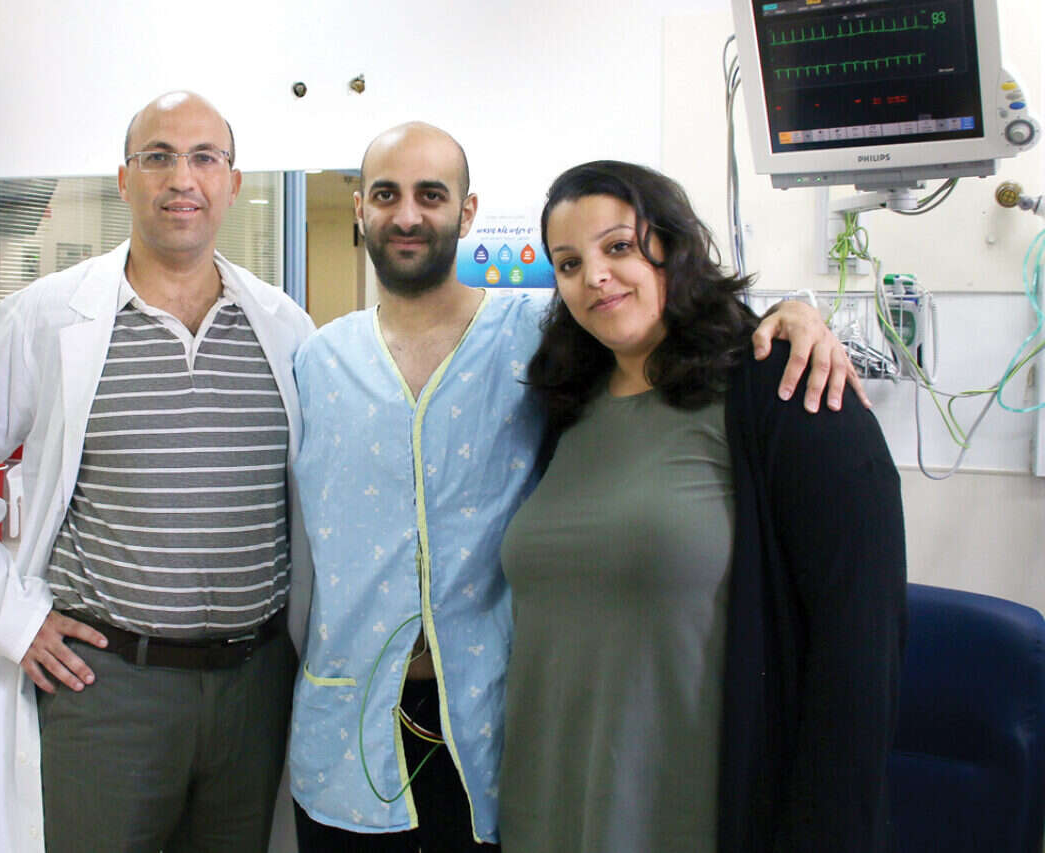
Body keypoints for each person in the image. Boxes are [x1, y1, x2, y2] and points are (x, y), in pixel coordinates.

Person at [286, 124, 864, 851]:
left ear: (467, 212)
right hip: (347, 730)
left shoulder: (540, 342)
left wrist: (790, 316)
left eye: (431, 195)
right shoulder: (315, 361)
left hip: (497, 726)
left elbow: (667, 329)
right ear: (360, 208)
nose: (407, 215)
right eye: (385, 195)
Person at [0, 91, 315, 853]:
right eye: (157, 156)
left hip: (255, 687)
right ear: (125, 180)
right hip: (107, 688)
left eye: (204, 158)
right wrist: (13, 618)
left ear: (232, 182)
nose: (181, 178)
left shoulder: (283, 326)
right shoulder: (48, 316)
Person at [497, 160, 907, 853]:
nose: (594, 276)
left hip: (693, 810)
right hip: (550, 799)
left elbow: (859, 649)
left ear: (675, 245)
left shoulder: (783, 391)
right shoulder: (564, 404)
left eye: (619, 246)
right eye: (568, 263)